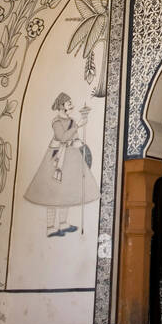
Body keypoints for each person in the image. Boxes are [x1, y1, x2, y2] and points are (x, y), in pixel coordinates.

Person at [24, 92, 99, 236]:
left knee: (66, 191)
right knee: (52, 193)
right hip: (57, 158)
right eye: (68, 102)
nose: (71, 105)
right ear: (61, 105)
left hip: (71, 158)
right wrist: (77, 126)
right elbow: (62, 137)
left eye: (71, 102)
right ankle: (51, 227)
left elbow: (73, 138)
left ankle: (63, 224)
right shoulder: (56, 122)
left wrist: (80, 143)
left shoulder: (71, 121)